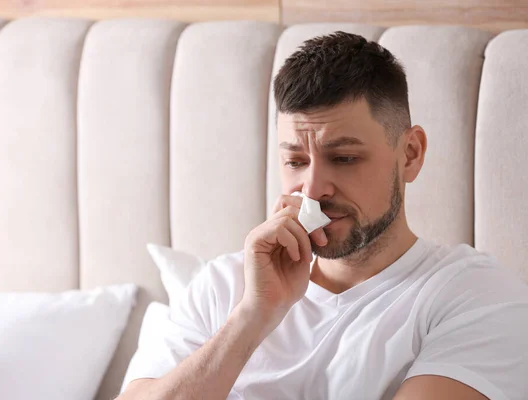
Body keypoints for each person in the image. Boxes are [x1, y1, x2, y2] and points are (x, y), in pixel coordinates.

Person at [120, 32, 528, 400]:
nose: (313, 190)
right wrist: (253, 316)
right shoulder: (221, 287)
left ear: (410, 154)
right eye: (295, 161)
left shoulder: (476, 297)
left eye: (344, 158)